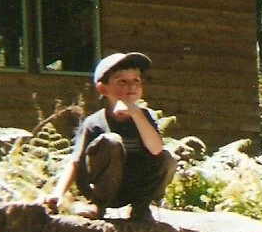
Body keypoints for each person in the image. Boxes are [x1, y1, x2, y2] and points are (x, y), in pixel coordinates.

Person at [42, 51, 177, 221]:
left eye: (136, 80)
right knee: (111, 141)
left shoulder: (145, 117)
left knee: (167, 158)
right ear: (103, 89)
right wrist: (57, 193)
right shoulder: (94, 122)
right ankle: (97, 204)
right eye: (122, 81)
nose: (132, 86)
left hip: (133, 187)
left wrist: (137, 114)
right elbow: (75, 162)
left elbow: (156, 150)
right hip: (103, 187)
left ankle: (140, 208)